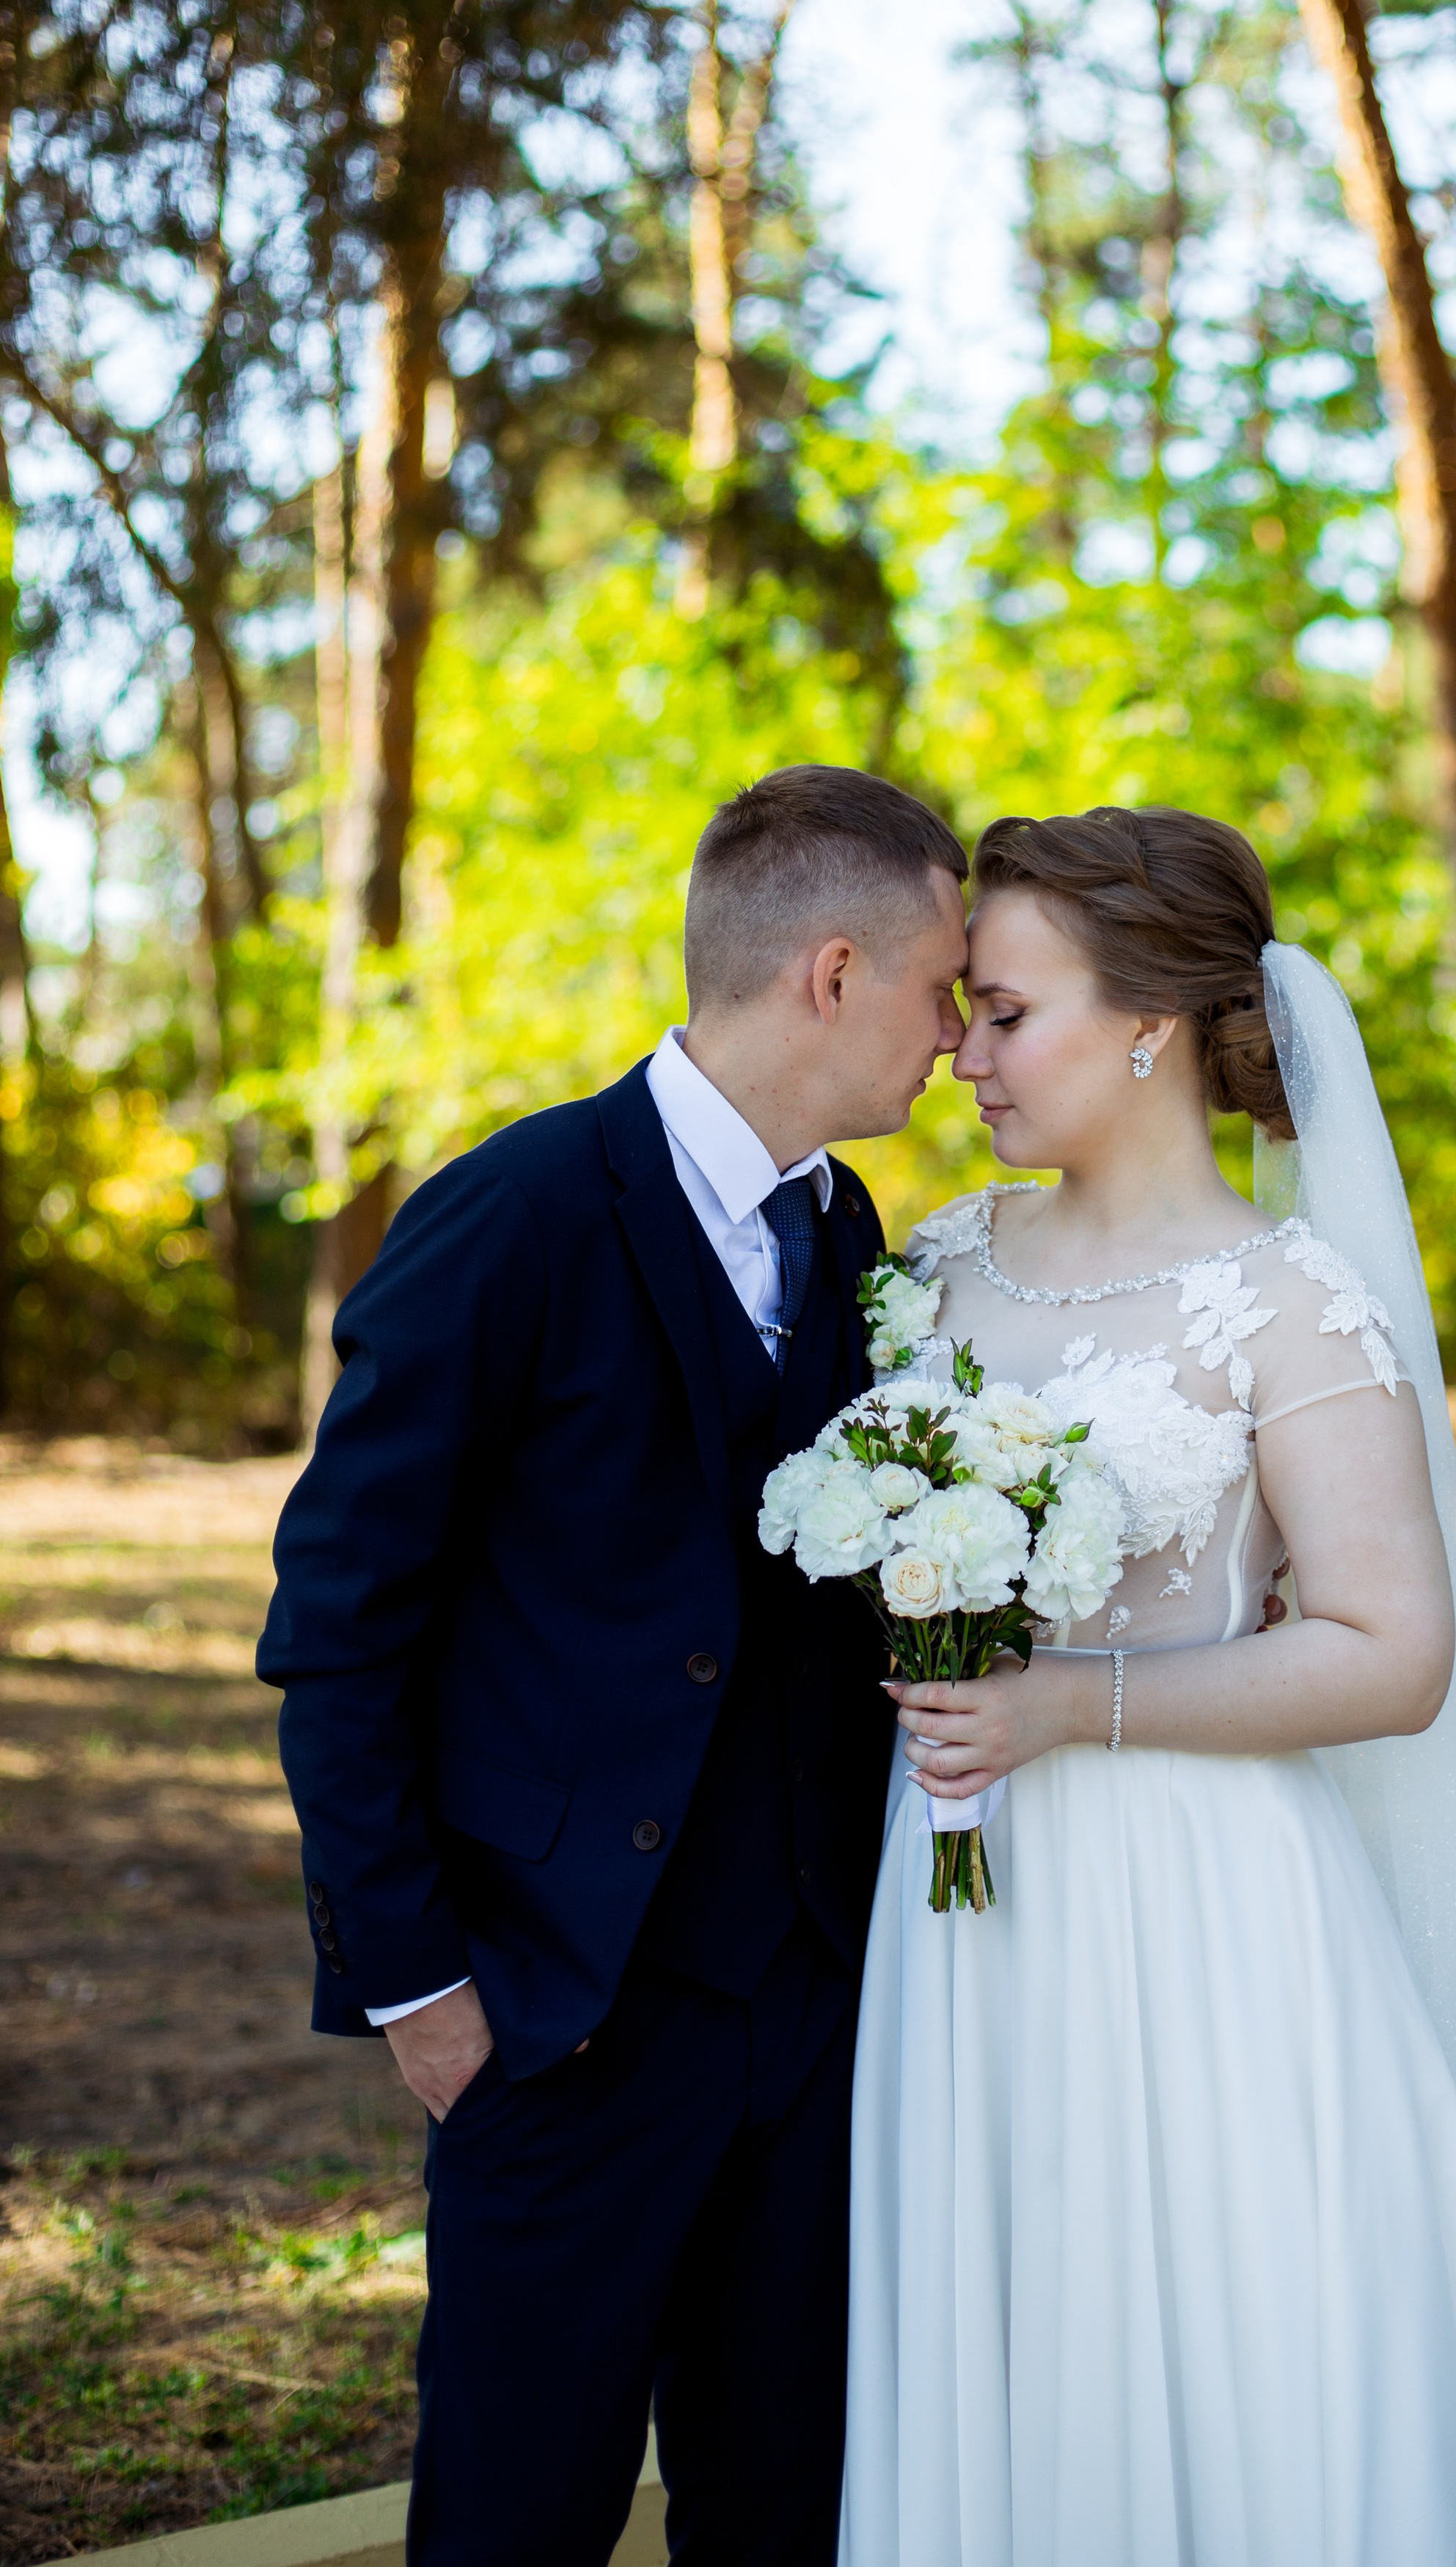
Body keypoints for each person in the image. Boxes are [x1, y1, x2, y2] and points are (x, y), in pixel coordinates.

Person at [838, 806, 1456, 2567]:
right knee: (1003, 2326)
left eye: (1007, 1013)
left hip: (1203, 1913)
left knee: (1213, 2335)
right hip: (960, 1906)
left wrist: (1068, 1709)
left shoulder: (1286, 1304)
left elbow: (1392, 1654)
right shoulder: (932, 1264)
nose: (963, 1055)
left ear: (1150, 1025)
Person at [259, 764, 970, 2567]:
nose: (955, 1038)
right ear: (830, 973)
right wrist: (417, 1985)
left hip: (806, 2019)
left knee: (784, 2511)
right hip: (551, 2018)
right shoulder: (510, 1215)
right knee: (517, 2517)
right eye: (938, 985)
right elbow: (337, 1629)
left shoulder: (845, 1235)